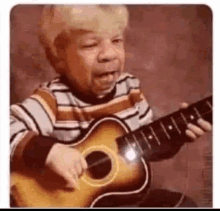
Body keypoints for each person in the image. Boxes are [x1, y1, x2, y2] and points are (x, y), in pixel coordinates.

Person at [10, 5, 212, 207]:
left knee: (181, 204)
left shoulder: (129, 88)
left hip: (122, 201)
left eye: (116, 40)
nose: (109, 54)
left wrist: (175, 136)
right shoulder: (53, 98)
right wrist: (50, 152)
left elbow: (145, 145)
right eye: (90, 45)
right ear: (58, 58)